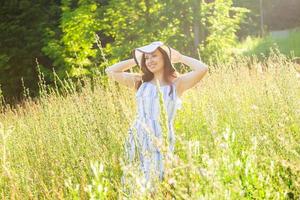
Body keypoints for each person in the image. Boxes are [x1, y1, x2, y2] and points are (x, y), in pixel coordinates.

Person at [105, 41, 208, 187]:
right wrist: (136, 60)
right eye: (146, 58)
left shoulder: (177, 84)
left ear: (165, 58)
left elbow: (202, 68)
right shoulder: (140, 81)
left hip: (160, 138)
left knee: (152, 183)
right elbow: (111, 71)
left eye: (154, 56)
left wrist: (180, 58)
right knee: (132, 181)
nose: (150, 61)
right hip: (137, 137)